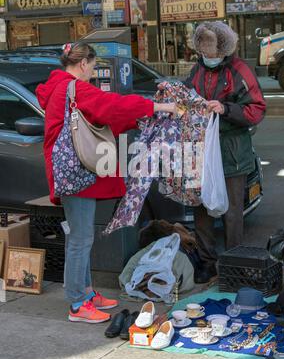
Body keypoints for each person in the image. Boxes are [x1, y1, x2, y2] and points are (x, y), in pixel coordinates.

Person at [36, 42, 176, 324]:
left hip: (71, 170)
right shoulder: (75, 88)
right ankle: (78, 304)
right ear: (84, 64)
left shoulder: (58, 87)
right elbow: (113, 106)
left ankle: (86, 293)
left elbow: (99, 116)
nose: (93, 71)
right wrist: (157, 106)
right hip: (77, 173)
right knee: (80, 238)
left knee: (80, 235)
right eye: (93, 65)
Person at [185, 21, 267, 284]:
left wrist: (225, 109)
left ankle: (233, 266)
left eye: (212, 54)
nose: (207, 58)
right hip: (201, 153)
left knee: (233, 213)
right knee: (201, 210)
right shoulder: (196, 70)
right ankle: (208, 264)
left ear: (224, 49)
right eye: (204, 53)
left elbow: (257, 109)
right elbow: (186, 99)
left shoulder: (240, 70)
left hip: (232, 153)